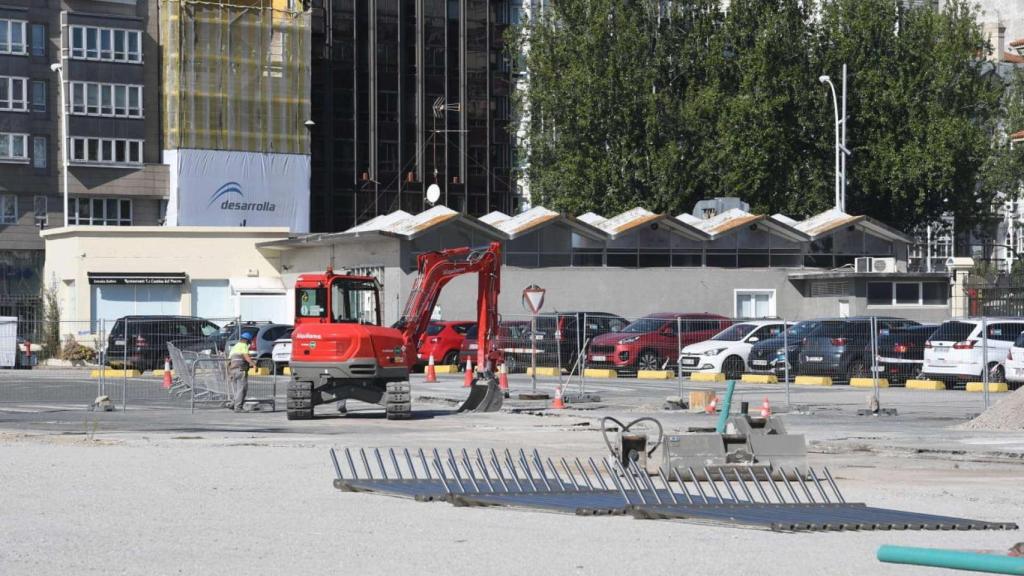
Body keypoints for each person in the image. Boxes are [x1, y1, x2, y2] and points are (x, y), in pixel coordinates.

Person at [227, 332, 256, 412]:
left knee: (238, 390)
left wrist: (229, 372)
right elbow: (245, 356)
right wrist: (253, 364)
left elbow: (229, 360)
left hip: (233, 370)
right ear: (247, 341)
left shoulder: (235, 346)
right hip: (240, 370)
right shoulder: (243, 345)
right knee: (242, 389)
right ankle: (238, 407)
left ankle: (233, 404)